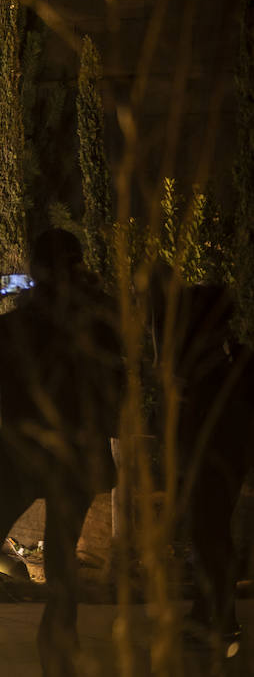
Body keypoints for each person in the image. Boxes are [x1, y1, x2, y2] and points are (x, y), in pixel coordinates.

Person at [0, 229, 122, 677]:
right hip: (73, 457)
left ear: (36, 274)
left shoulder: (20, 328)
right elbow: (120, 381)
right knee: (60, 557)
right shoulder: (97, 326)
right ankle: (58, 646)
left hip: (23, 456)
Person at [160, 282, 254, 659]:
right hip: (222, 461)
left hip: (213, 462)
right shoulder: (230, 355)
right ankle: (207, 615)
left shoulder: (213, 360)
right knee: (209, 539)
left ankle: (220, 619)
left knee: (209, 539)